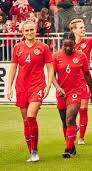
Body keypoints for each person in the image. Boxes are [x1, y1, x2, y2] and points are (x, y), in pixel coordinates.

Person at [7, 20, 53, 162]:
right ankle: (31, 152)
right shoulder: (17, 48)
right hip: (21, 88)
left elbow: (50, 67)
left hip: (37, 87)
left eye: (32, 30)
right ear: (23, 32)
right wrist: (9, 87)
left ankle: (34, 150)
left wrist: (49, 84)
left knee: (31, 116)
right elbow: (13, 68)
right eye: (26, 31)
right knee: (26, 121)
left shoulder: (43, 47)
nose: (29, 33)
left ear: (36, 30)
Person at [52, 32, 92, 158]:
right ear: (62, 44)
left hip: (76, 91)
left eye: (70, 46)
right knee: (65, 122)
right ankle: (72, 146)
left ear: (74, 44)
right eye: (65, 46)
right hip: (61, 92)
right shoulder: (56, 56)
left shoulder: (81, 56)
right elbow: (52, 75)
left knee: (70, 118)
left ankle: (67, 149)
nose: (68, 48)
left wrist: (91, 92)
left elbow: (87, 74)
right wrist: (58, 87)